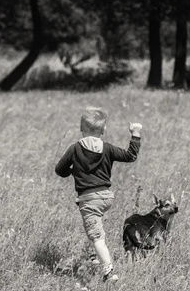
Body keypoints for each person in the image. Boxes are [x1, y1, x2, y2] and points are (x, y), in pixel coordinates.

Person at [55, 107, 142, 282]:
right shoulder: (107, 148)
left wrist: (73, 171)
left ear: (81, 128)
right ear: (103, 130)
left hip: (89, 199)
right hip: (106, 197)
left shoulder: (75, 148)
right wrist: (136, 134)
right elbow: (130, 155)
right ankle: (92, 258)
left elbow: (59, 170)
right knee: (92, 228)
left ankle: (108, 271)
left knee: (97, 237)